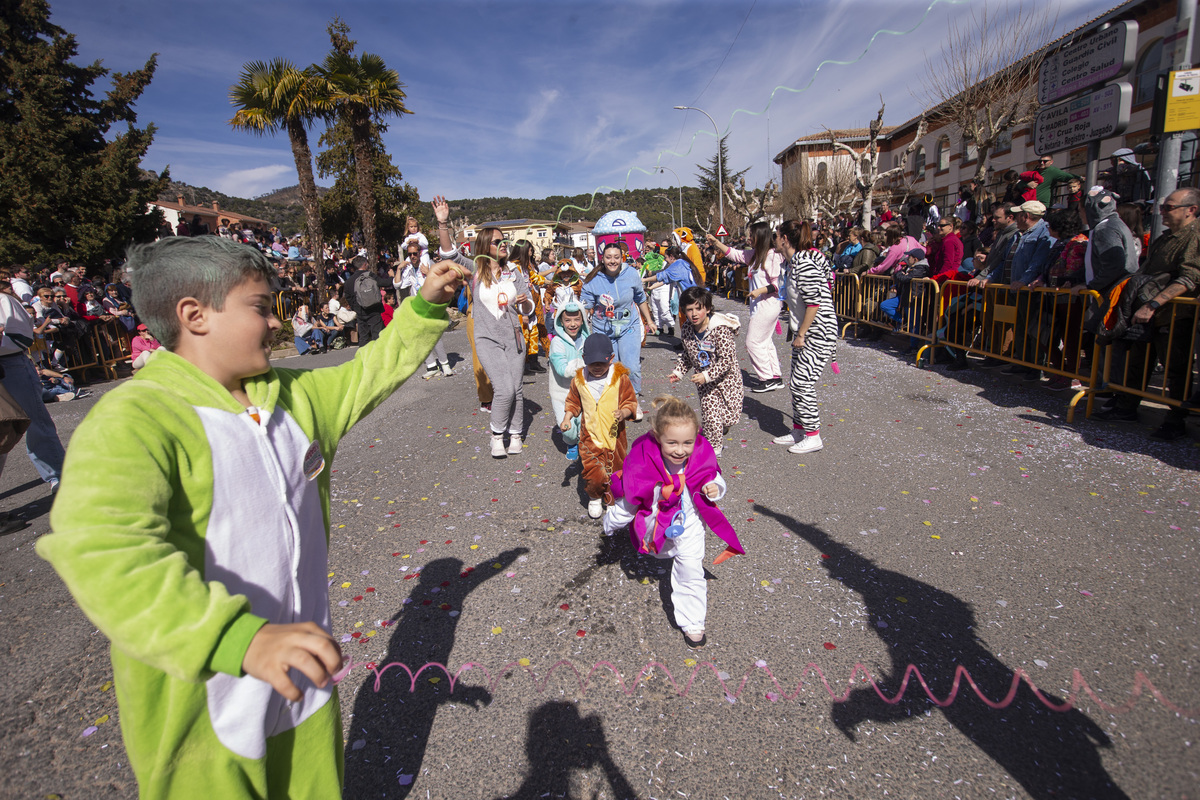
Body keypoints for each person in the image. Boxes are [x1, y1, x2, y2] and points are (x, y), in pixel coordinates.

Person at [36, 234, 461, 798]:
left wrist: (426, 303)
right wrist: (240, 640)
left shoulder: (295, 396)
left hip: (301, 691)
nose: (274, 323)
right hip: (206, 709)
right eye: (259, 308)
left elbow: (370, 371)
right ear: (194, 316)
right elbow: (105, 551)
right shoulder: (134, 420)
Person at [602, 395, 745, 648]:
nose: (680, 450)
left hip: (689, 527)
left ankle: (693, 623)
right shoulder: (643, 462)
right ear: (658, 437)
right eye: (673, 443)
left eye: (688, 442)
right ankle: (654, 552)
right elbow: (630, 501)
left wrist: (715, 487)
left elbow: (714, 475)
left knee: (690, 572)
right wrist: (611, 523)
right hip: (656, 527)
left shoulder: (699, 458)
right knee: (663, 555)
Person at [1094, 187, 1199, 440]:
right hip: (1147, 314)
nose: (1161, 212)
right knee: (1137, 363)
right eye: (1162, 207)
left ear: (1191, 210)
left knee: (1175, 369)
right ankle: (1127, 407)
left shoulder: (1194, 236)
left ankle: (1175, 419)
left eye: (1168, 208)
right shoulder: (1166, 237)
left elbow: (1190, 277)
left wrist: (1153, 304)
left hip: (1174, 315)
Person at [432, 198, 533, 456]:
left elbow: (529, 306)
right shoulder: (475, 269)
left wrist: (523, 303)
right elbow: (449, 254)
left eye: (504, 241)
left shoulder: (514, 272)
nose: (503, 245)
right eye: (497, 241)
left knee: (517, 388)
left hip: (514, 339)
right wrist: (443, 223)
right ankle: (497, 435)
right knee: (504, 387)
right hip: (487, 339)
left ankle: (515, 433)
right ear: (485, 245)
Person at [774, 220, 837, 455]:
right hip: (804, 332)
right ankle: (800, 430)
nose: (775, 240)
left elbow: (814, 302)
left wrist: (802, 333)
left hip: (818, 332)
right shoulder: (793, 263)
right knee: (796, 384)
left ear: (785, 239)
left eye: (777, 235)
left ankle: (813, 435)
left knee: (802, 383)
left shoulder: (804, 263)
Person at [560, 333, 638, 518]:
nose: (596, 368)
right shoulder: (579, 381)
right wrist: (567, 417)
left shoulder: (620, 379)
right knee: (593, 472)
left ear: (611, 359)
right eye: (592, 363)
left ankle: (611, 499)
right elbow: (573, 401)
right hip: (590, 436)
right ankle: (595, 497)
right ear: (584, 359)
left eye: (601, 364)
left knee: (615, 472)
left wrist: (624, 413)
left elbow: (630, 402)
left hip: (615, 437)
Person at [706, 222, 783, 392]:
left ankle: (767, 378)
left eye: (751, 235)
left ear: (760, 236)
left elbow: (778, 284)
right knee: (765, 341)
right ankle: (775, 376)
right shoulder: (755, 255)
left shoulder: (772, 256)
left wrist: (759, 291)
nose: (749, 238)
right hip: (759, 306)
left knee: (753, 342)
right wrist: (715, 242)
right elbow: (735, 254)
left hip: (768, 304)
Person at [0, 289, 66, 488]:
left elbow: (23, 337)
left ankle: (57, 476)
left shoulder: (4, 301)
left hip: (10, 365)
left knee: (34, 421)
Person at [580, 242, 653, 417]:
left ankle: (632, 401)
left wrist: (649, 320)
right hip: (603, 330)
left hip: (629, 326)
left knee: (631, 366)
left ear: (622, 258)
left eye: (616, 257)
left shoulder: (631, 274)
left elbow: (640, 298)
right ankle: (615, 400)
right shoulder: (593, 279)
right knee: (611, 367)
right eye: (608, 257)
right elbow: (585, 306)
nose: (612, 261)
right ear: (602, 259)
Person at [669, 287, 743, 457]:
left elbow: (727, 360)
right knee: (711, 416)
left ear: (708, 308)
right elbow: (688, 354)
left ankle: (720, 428)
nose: (694, 314)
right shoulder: (687, 328)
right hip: (705, 383)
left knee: (729, 417)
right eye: (689, 310)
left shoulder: (720, 329)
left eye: (698, 308)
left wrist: (708, 375)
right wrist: (679, 372)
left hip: (728, 380)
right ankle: (713, 449)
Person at [548, 300, 590, 462]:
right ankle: (571, 442)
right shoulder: (557, 343)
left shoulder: (587, 340)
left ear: (583, 320)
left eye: (577, 319)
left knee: (584, 422)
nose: (572, 324)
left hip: (583, 391)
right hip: (562, 393)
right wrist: (586, 365)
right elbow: (563, 370)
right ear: (561, 322)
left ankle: (583, 443)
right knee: (569, 428)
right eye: (567, 320)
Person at [347, 255, 385, 346]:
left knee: (363, 337)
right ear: (365, 264)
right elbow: (383, 282)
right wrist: (393, 277)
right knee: (377, 335)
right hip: (374, 309)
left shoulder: (349, 281)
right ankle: (378, 356)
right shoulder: (369, 276)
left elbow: (348, 297)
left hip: (360, 311)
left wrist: (355, 307)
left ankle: (363, 357)